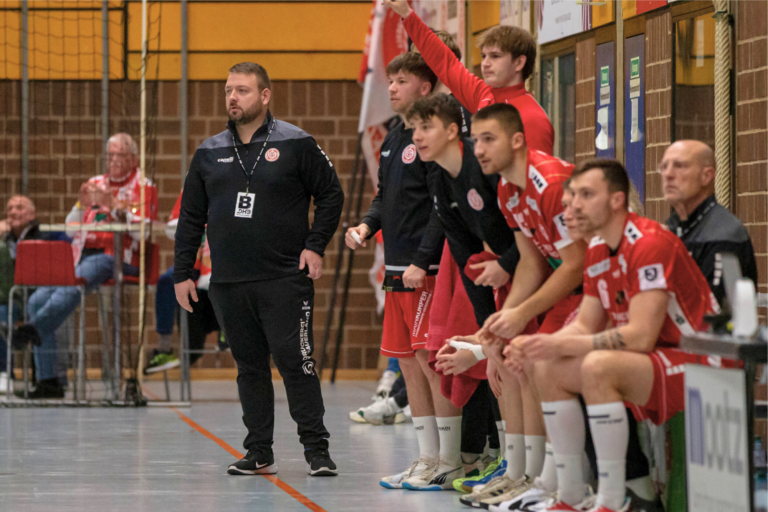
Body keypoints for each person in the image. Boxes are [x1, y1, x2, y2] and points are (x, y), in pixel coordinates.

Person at [513, 159, 720, 512]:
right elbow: (585, 326)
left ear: (617, 201)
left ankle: (614, 500)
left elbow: (640, 336)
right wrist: (541, 345)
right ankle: (571, 495)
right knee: (548, 366)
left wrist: (559, 342)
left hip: (702, 359)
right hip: (655, 359)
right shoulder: (596, 249)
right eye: (572, 195)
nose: (574, 204)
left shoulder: (650, 243)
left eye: (587, 195)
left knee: (597, 366)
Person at [174, 62, 343, 477]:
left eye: (243, 90)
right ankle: (259, 451)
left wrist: (314, 246)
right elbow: (191, 217)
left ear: (265, 96)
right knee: (249, 367)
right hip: (229, 281)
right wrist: (183, 272)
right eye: (229, 90)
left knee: (295, 362)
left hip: (284, 277)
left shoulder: (296, 143)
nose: (233, 97)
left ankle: (317, 451)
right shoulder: (209, 151)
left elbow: (331, 195)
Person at [13, 133, 158, 400]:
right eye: (110, 155)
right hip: (80, 255)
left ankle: (32, 329)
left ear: (133, 159)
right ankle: (49, 382)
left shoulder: (144, 185)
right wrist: (81, 203)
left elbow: (144, 233)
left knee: (74, 281)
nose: (113, 160)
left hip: (117, 257)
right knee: (36, 300)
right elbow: (70, 227)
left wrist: (114, 205)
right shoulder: (94, 183)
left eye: (120, 155)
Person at [386, 0, 553, 155]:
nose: (485, 63)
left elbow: (538, 177)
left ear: (519, 63)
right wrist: (407, 14)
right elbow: (444, 61)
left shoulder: (533, 118)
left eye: (495, 56)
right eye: (483, 56)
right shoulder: (483, 94)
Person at [661, 140, 758, 303]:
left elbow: (713, 309)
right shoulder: (671, 226)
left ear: (706, 176)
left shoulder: (724, 234)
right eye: (664, 166)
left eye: (680, 166)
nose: (668, 174)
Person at [145, 190, 222, 375]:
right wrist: (191, 224)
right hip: (194, 261)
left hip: (225, 258)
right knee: (166, 281)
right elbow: (171, 227)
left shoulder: (235, 179)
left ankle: (228, 332)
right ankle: (164, 349)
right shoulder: (191, 185)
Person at [0, 196, 66, 394]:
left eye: (19, 207)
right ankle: (4, 374)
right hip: (11, 300)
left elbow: (69, 244)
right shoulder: (3, 238)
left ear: (32, 214)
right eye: (9, 208)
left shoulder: (45, 234)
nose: (12, 212)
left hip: (39, 296)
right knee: (2, 312)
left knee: (41, 306)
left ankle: (48, 378)